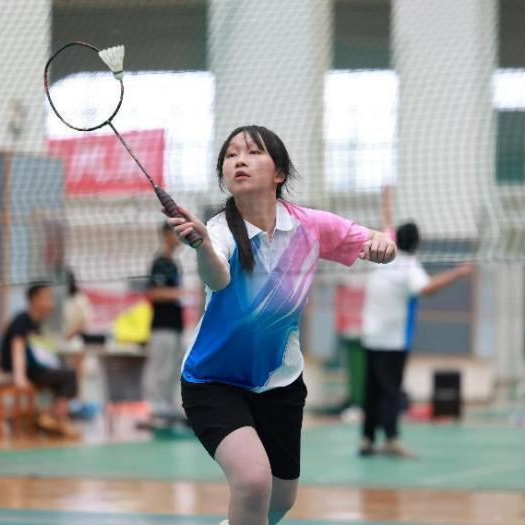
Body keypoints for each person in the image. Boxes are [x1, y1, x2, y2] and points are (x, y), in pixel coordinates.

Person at [167, 125, 396, 525]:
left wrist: (383, 245)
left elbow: (375, 242)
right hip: (213, 380)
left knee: (280, 499)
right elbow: (218, 277)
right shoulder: (219, 231)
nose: (239, 160)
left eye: (252, 152)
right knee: (252, 482)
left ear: (279, 173)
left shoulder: (310, 226)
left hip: (280, 381)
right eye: (231, 155)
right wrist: (202, 247)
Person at [359, 222, 473, 457]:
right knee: (390, 392)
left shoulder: (381, 257)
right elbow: (426, 288)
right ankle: (391, 439)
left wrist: (387, 202)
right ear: (417, 243)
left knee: (372, 391)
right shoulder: (409, 266)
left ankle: (367, 439)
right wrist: (459, 272)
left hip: (371, 336)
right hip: (393, 340)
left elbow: (386, 223)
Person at [0, 281, 79, 439]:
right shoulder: (22, 319)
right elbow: (17, 347)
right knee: (69, 375)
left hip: (34, 369)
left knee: (65, 373)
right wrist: (19, 377)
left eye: (51, 298)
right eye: (47, 298)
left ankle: (53, 417)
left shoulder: (37, 323)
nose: (51, 302)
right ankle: (55, 418)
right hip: (21, 370)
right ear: (34, 300)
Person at [141, 222, 186, 429]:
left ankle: (168, 410)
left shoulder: (174, 264)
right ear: (166, 235)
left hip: (176, 326)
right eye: (176, 234)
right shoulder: (159, 263)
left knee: (174, 370)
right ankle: (157, 410)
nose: (180, 238)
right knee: (160, 369)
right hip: (161, 327)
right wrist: (179, 294)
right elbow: (154, 293)